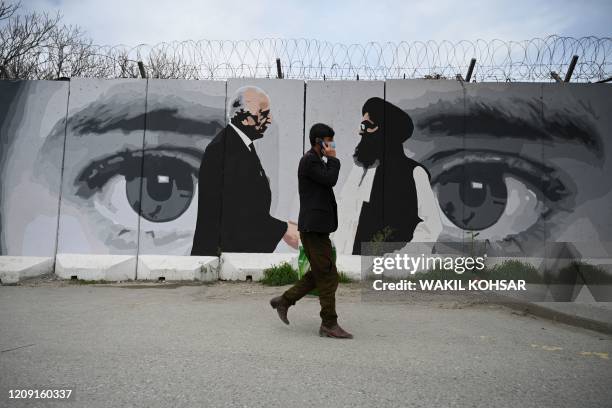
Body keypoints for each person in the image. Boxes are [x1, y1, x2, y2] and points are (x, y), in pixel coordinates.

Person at [191, 86, 299, 256]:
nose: (270, 120)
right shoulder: (224, 150)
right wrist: (283, 230)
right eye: (264, 113)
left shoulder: (239, 144)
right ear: (246, 119)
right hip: (222, 255)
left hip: (231, 254)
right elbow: (238, 211)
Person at [270, 123, 353, 339]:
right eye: (329, 141)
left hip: (318, 227)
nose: (332, 145)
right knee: (327, 274)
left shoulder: (318, 162)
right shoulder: (309, 161)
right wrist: (334, 158)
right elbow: (330, 180)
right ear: (319, 142)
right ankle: (329, 323)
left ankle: (285, 300)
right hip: (312, 227)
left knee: (321, 272)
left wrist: (329, 159)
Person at [335, 97, 442, 255]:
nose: (360, 131)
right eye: (361, 125)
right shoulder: (358, 171)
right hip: (349, 268)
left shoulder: (414, 173)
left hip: (388, 272)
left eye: (367, 126)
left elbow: (431, 225)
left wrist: (401, 260)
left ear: (386, 130)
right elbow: (344, 214)